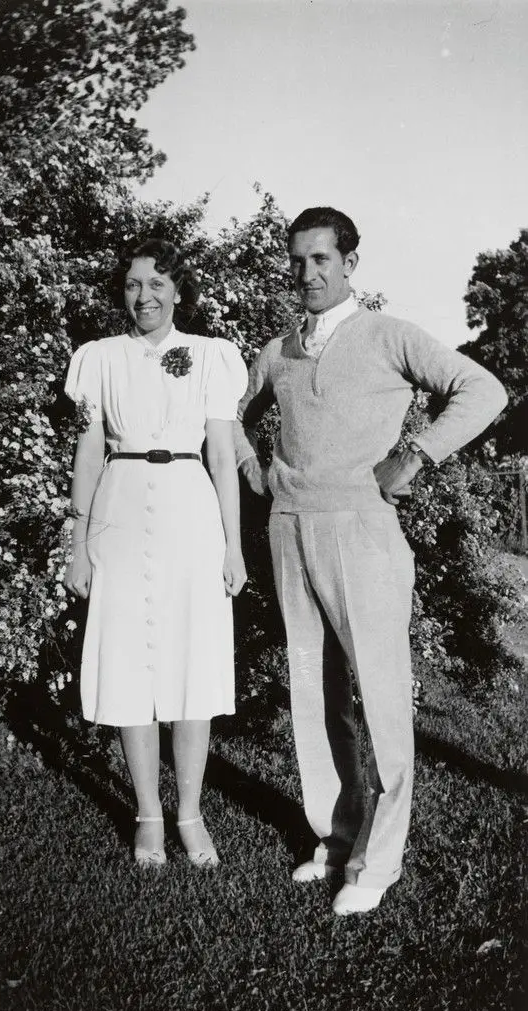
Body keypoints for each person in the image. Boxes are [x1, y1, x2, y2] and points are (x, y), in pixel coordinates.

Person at [234, 206, 507, 914]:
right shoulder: (278, 350)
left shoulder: (388, 335)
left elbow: (484, 391)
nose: (307, 273)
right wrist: (251, 465)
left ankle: (377, 863)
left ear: (350, 263)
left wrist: (416, 454)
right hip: (290, 528)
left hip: (363, 530)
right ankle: (335, 834)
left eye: (321, 259)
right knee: (310, 690)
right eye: (296, 260)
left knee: (380, 695)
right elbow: (226, 411)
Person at [64, 238, 248, 868]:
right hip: (118, 507)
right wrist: (77, 545)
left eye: (157, 284)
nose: (144, 296)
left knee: (191, 665)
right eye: (134, 284)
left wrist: (233, 547)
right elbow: (88, 453)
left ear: (180, 292)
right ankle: (148, 815)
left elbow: (222, 458)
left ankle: (190, 814)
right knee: (129, 666)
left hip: (190, 513)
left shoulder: (210, 357)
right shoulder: (99, 359)